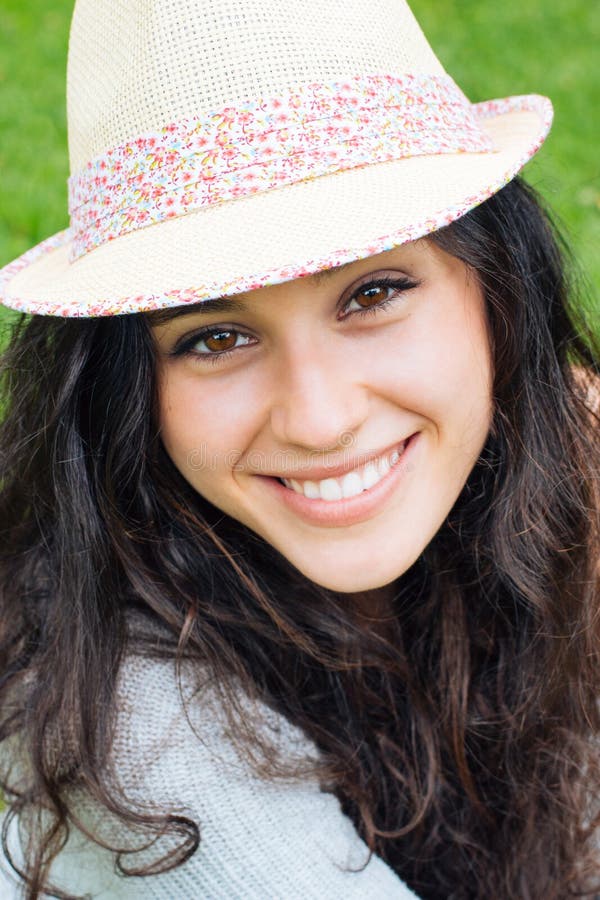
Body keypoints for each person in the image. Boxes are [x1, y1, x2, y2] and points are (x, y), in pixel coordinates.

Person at [0, 0, 598, 897]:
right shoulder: (125, 730)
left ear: (499, 289)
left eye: (374, 292)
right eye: (216, 338)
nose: (318, 420)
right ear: (123, 392)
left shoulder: (553, 466)